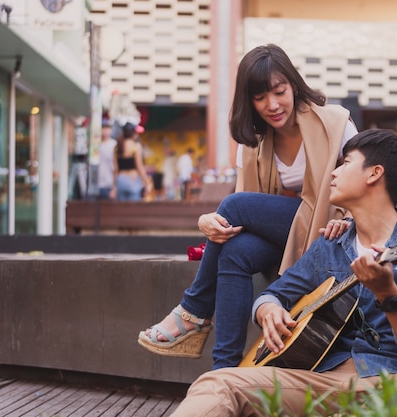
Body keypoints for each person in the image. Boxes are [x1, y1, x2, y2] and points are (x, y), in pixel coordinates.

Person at [168, 129, 397, 417]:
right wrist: (267, 310)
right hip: (318, 378)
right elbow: (273, 295)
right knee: (217, 383)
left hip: (390, 382)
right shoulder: (330, 245)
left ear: (374, 174)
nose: (334, 173)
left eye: (346, 163)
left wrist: (389, 296)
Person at [138, 44, 358, 369]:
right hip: (289, 238)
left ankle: (194, 312)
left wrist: (351, 218)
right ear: (249, 101)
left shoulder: (337, 124)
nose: (272, 104)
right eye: (259, 97)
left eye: (280, 91)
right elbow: (245, 216)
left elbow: (368, 180)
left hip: (329, 232)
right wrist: (206, 221)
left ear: (293, 86)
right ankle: (225, 370)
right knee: (235, 249)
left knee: (233, 207)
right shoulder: (252, 143)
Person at [110, 122, 153, 201]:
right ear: (133, 133)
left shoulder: (117, 147)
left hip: (120, 179)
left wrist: (114, 186)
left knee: (121, 209)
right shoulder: (135, 146)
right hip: (133, 179)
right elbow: (139, 166)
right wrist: (147, 182)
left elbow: (115, 168)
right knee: (133, 209)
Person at [97, 118, 117, 200]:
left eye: (107, 128)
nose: (105, 130)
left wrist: (114, 187)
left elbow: (116, 167)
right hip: (95, 184)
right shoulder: (95, 145)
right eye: (103, 128)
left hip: (109, 184)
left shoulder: (114, 145)